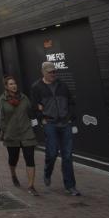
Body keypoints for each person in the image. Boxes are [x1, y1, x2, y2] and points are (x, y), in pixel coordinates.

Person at [30, 61, 80, 196]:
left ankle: (70, 186)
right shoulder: (37, 87)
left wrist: (70, 117)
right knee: (52, 153)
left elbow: (71, 102)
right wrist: (42, 119)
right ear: (43, 72)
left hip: (65, 123)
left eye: (54, 71)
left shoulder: (62, 85)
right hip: (50, 124)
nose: (53, 74)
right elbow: (34, 106)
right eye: (50, 72)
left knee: (67, 156)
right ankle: (47, 172)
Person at [0, 75, 39, 196]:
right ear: (6, 86)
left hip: (26, 132)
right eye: (10, 84)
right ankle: (13, 174)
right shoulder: (2, 100)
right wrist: (5, 131)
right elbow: (1, 118)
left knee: (30, 158)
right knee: (13, 158)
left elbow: (30, 111)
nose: (14, 86)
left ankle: (31, 185)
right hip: (12, 134)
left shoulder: (24, 98)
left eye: (14, 83)